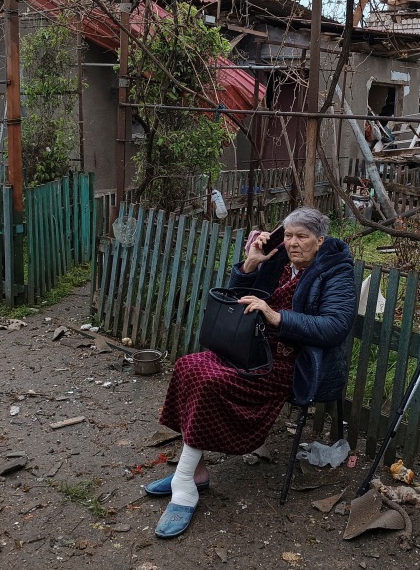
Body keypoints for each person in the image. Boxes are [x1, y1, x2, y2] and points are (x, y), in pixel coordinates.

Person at [147, 206, 356, 538]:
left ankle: (185, 484)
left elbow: (336, 326)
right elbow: (236, 297)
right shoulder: (278, 260)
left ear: (320, 239)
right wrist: (250, 266)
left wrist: (277, 318)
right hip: (250, 348)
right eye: (288, 235)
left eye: (302, 236)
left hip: (290, 362)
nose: (293, 243)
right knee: (189, 366)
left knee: (211, 380)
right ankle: (194, 472)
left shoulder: (336, 271)